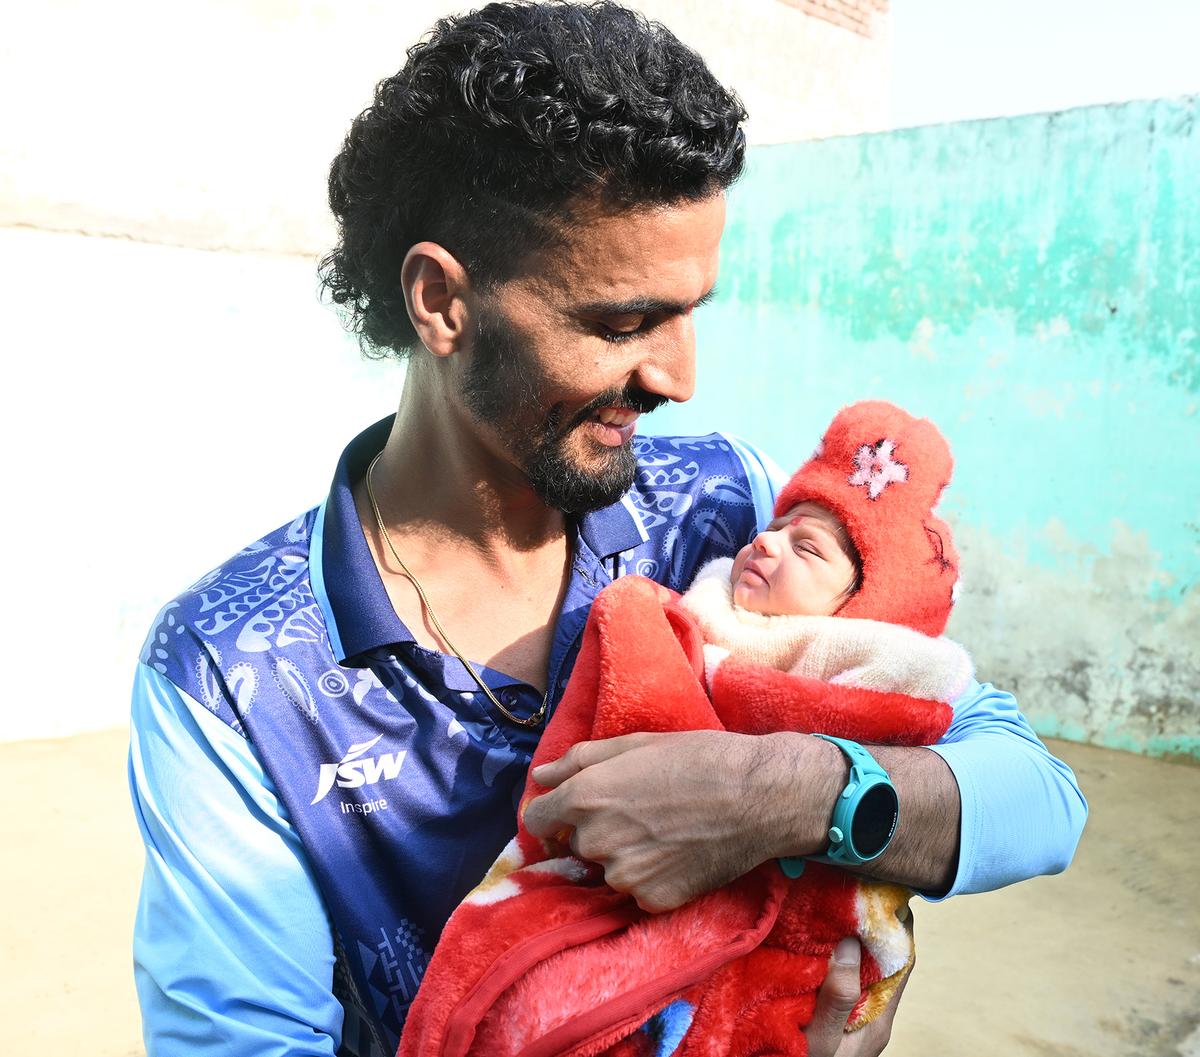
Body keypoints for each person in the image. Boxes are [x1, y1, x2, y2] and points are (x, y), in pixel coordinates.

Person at [127, 5, 1088, 1057]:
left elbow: (1033, 792)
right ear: (443, 300)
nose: (680, 376)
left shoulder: (727, 512)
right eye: (624, 324)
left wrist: (783, 795)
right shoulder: (231, 670)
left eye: (692, 312)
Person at [396, 401, 989, 1057]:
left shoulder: (879, 683)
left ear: (860, 609)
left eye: (807, 547)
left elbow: (1034, 796)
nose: (766, 540)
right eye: (777, 526)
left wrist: (798, 794)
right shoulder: (685, 624)